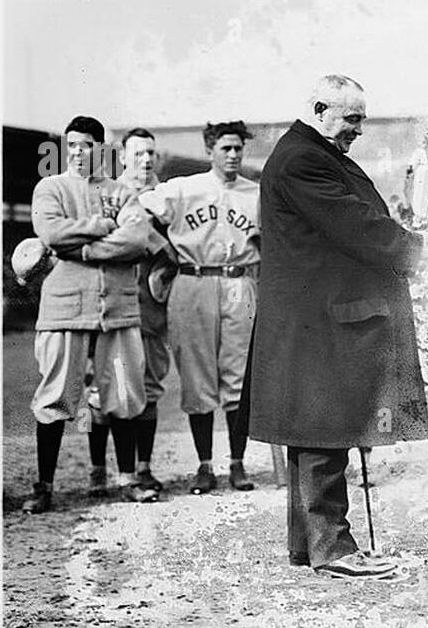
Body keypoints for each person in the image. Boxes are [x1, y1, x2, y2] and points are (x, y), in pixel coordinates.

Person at [247, 75, 428, 579]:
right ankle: (335, 550)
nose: (359, 129)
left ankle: (312, 547)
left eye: (362, 119)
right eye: (352, 118)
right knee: (324, 431)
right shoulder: (303, 158)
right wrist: (419, 251)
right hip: (320, 321)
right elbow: (356, 225)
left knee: (313, 432)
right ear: (321, 108)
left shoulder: (303, 152)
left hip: (315, 317)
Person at [22, 115, 154, 513]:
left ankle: (128, 479)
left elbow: (137, 239)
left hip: (117, 306)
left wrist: (82, 249)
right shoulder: (51, 187)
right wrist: (100, 225)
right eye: (73, 145)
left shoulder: (122, 191)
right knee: (56, 396)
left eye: (88, 145)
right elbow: (51, 234)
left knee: (125, 392)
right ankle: (43, 486)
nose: (79, 152)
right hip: (64, 305)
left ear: (103, 149)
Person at [139, 121, 261, 494]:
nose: (233, 155)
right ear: (210, 150)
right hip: (192, 280)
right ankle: (205, 465)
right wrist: (164, 249)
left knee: (239, 376)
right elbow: (138, 208)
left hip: (239, 281)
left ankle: (237, 465)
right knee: (197, 376)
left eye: (238, 148)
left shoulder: (257, 193)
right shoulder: (183, 188)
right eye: (225, 148)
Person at [88, 127, 175, 494]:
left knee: (150, 387)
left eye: (151, 153)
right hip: (112, 303)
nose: (145, 159)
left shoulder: (167, 197)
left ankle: (143, 467)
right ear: (122, 156)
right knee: (102, 389)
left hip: (152, 306)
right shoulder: (106, 193)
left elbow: (179, 249)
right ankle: (97, 469)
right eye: (137, 153)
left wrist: (165, 259)